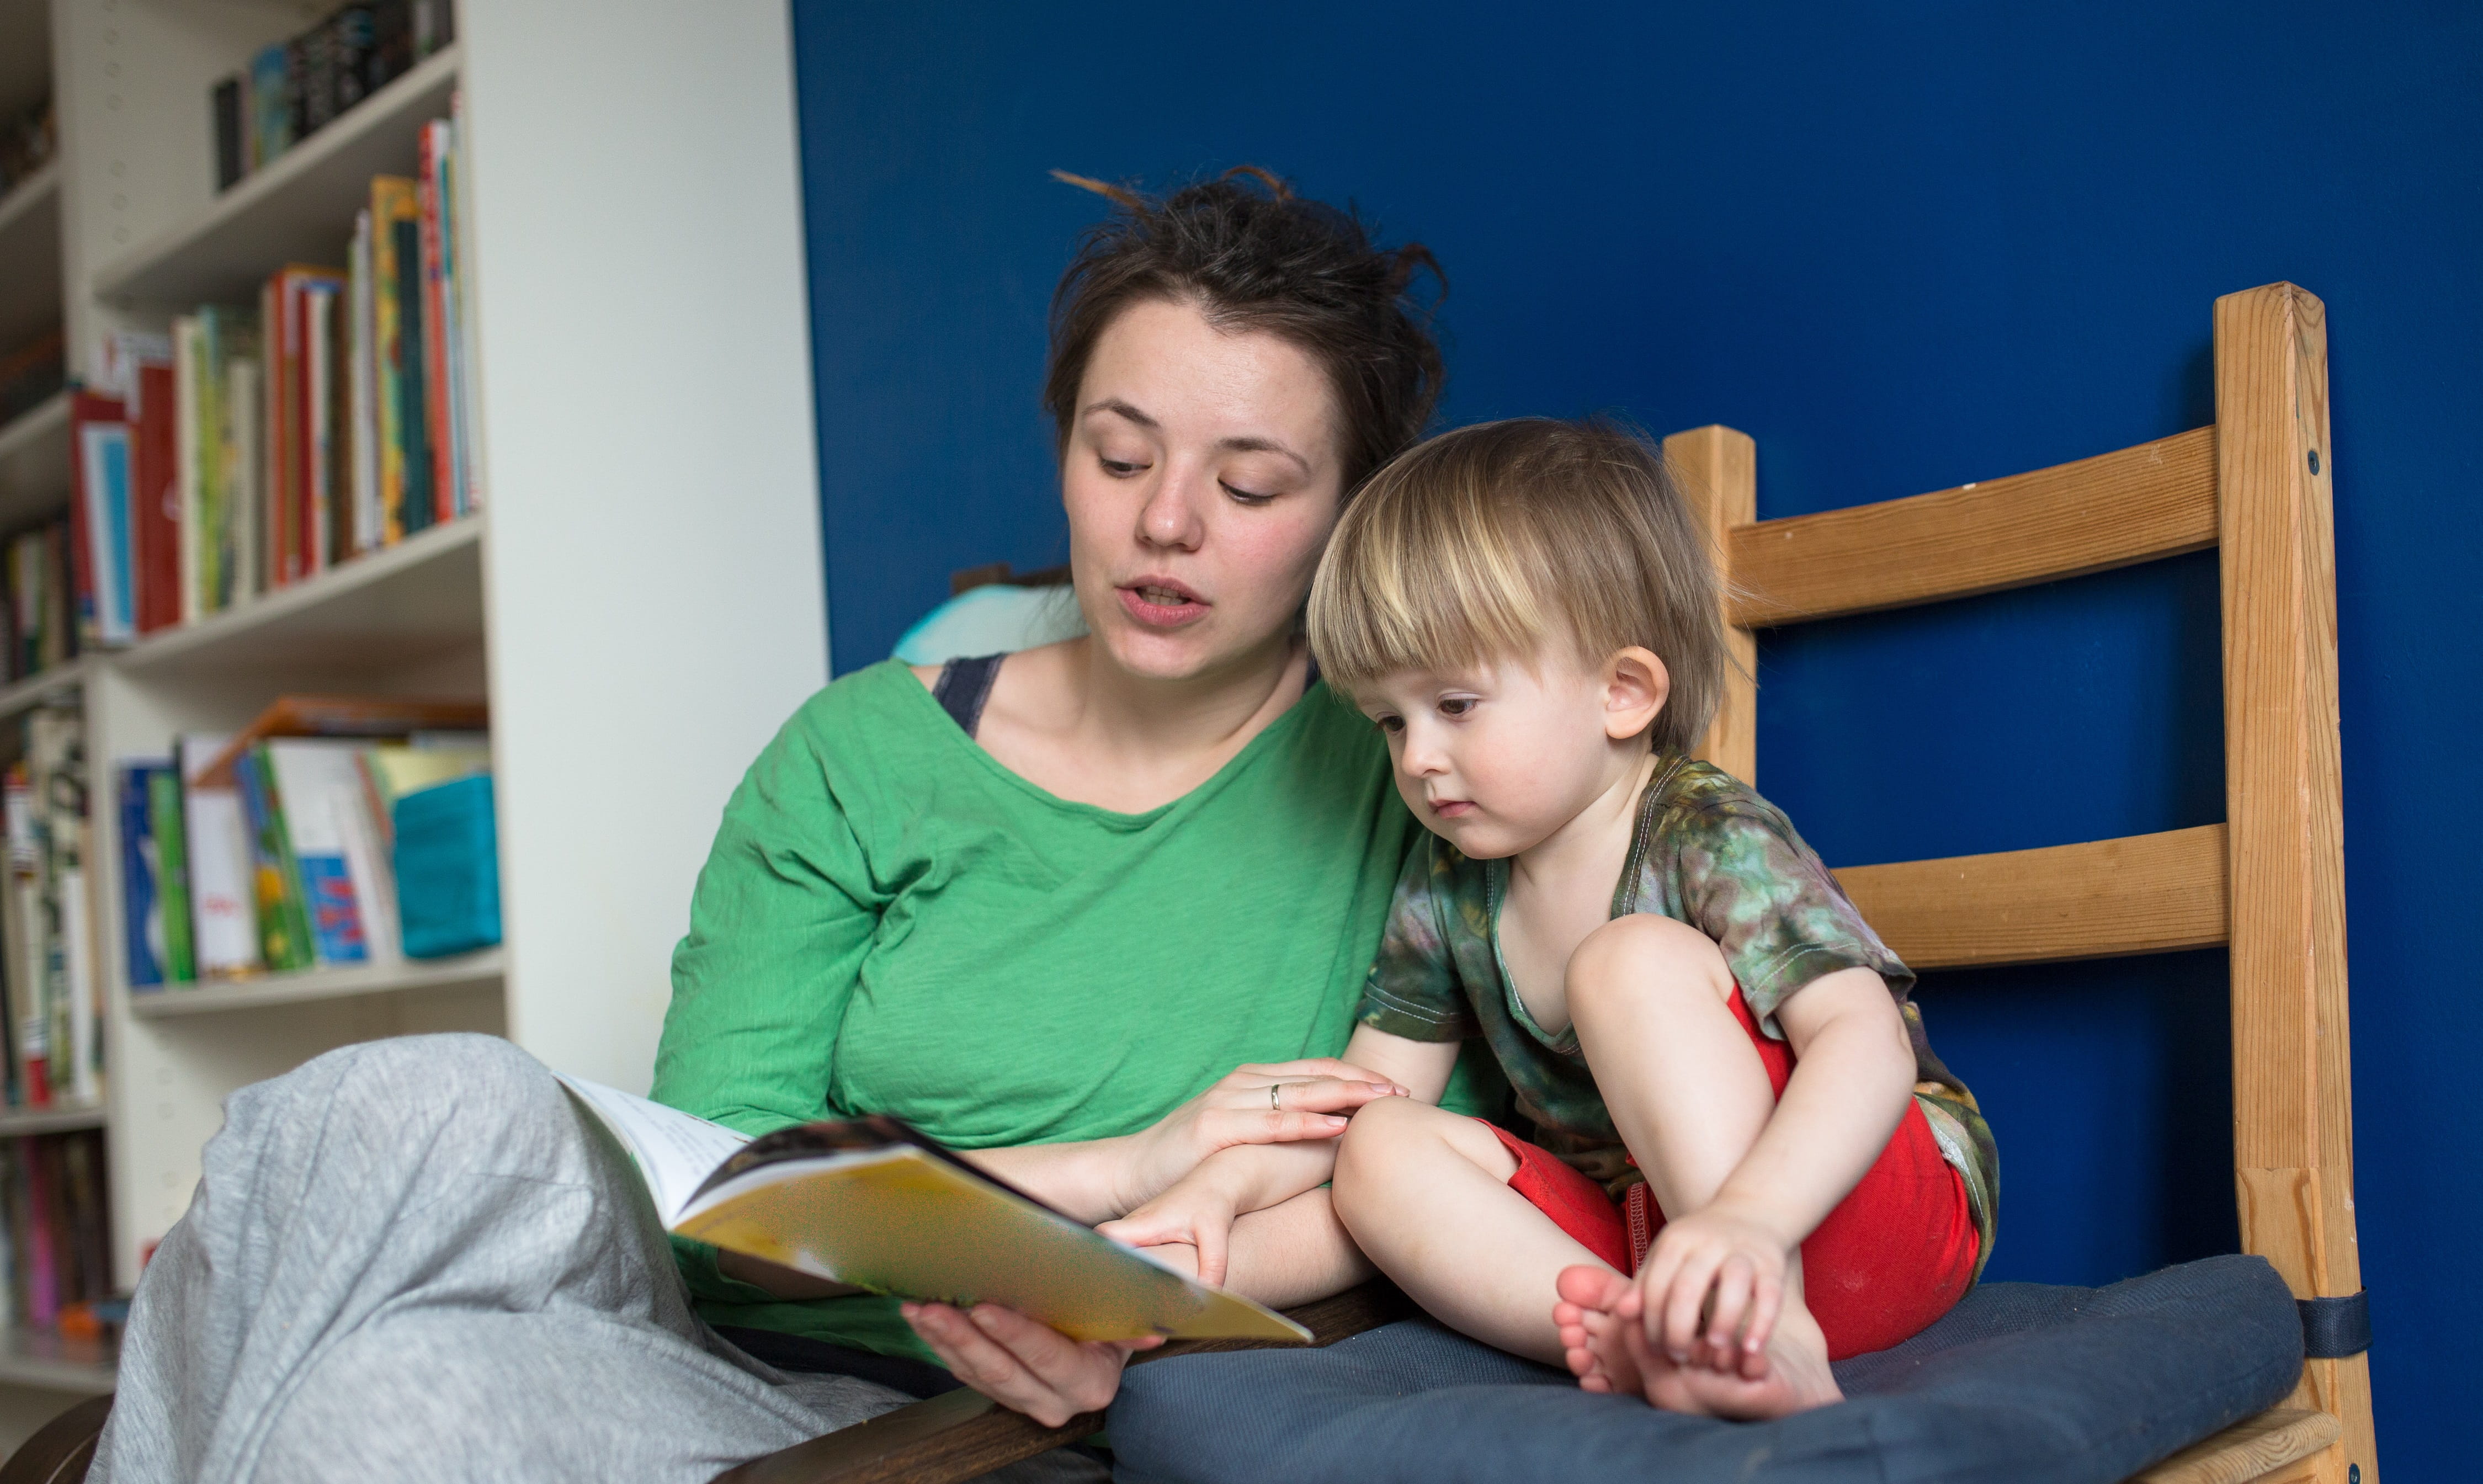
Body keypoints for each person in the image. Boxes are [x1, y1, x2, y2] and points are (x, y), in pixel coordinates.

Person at [90, 169, 1492, 1484]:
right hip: (737, 1349)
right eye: (1119, 456)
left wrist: (1144, 1302)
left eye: (1248, 487)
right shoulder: (858, 752)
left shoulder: (1419, 768)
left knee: (375, 1405)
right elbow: (725, 1207)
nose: (1165, 522)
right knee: (404, 1099)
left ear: (1349, 511)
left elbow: (1449, 1179)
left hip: (971, 1414)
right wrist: (1113, 1173)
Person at [1108, 418, 1997, 1421]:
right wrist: (1221, 1194)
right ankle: (1635, 1337)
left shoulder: (1704, 830)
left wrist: (1752, 1221)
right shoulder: (1450, 882)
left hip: (1855, 1208)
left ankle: (1763, 1326)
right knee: (1381, 1141)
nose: (1417, 758)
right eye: (1391, 720)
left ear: (1622, 692)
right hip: (1653, 1241)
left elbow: (1866, 1043)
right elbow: (1357, 1102)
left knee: (1626, 964)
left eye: (1455, 704)